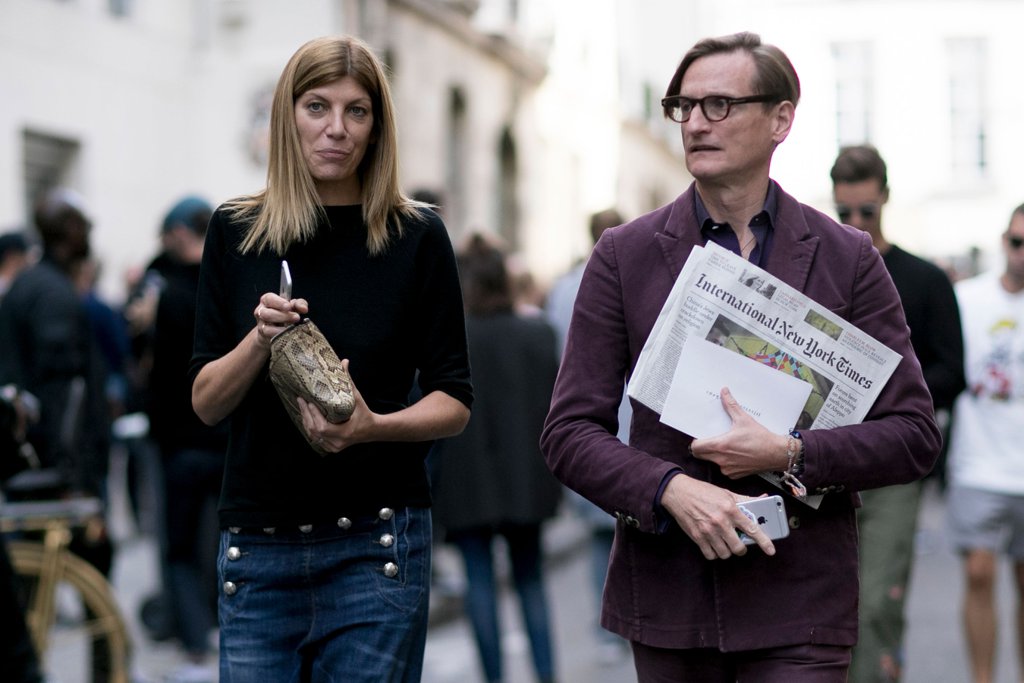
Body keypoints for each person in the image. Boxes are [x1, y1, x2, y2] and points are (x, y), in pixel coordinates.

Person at [539, 31, 940, 682]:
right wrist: (668, 488)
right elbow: (567, 432)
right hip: (672, 594)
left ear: (781, 118)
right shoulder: (624, 253)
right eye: (684, 106)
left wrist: (792, 454)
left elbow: (914, 435)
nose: (695, 122)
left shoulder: (848, 257)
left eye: (719, 105)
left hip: (801, 597)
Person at [188, 35, 473, 682]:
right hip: (257, 550)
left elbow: (454, 399)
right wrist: (260, 338)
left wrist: (373, 425)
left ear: (378, 126)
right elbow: (206, 402)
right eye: (317, 106)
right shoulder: (237, 230)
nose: (336, 129)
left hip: (377, 545)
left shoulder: (417, 235)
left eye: (357, 110)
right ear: (288, 115)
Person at [830, 144, 966, 682]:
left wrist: (884, 394)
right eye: (845, 214)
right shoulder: (825, 271)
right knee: (827, 606)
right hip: (824, 463)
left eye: (867, 211)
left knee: (877, 605)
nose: (857, 223)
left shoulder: (924, 279)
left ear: (885, 198)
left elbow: (953, 372)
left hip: (892, 469)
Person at [434, 233, 562, 683]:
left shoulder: (448, 338)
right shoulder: (538, 333)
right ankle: (547, 675)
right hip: (526, 477)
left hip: (465, 479)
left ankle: (494, 678)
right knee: (531, 581)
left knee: (480, 584)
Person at [544, 207, 632, 661]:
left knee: (602, 533)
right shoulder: (634, 270)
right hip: (630, 423)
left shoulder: (562, 289)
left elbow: (558, 355)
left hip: (585, 423)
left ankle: (606, 630)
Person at [145, 195, 228, 679]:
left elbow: (155, 374)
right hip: (224, 436)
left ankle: (195, 643)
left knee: (178, 548)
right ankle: (220, 628)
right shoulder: (226, 283)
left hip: (180, 441)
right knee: (223, 540)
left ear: (179, 233)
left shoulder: (171, 293)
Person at [945, 203, 1024, 683]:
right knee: (979, 572)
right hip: (978, 462)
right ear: (1003, 242)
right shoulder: (967, 298)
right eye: (1018, 242)